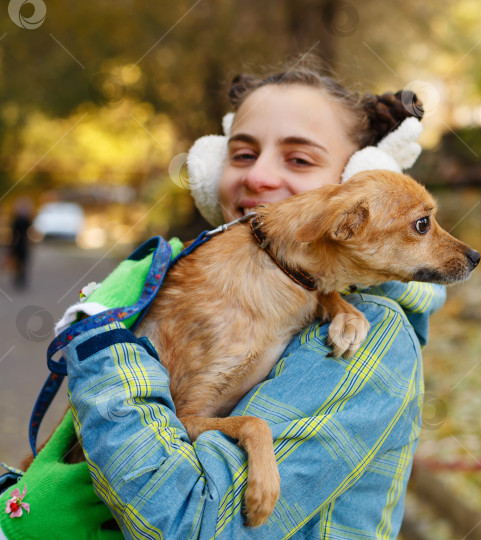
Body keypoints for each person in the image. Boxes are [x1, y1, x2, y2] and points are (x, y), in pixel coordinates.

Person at [0, 60, 445, 539]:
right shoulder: (201, 276)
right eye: (242, 154)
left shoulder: (375, 338)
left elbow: (188, 524)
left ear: (362, 178)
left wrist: (98, 341)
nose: (259, 177)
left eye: (299, 160)